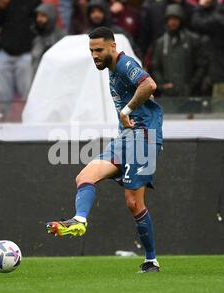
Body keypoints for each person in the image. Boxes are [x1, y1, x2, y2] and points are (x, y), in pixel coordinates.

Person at [46, 26, 163, 273]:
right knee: (84, 176)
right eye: (91, 51)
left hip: (144, 137)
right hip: (125, 138)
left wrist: (126, 111)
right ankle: (79, 220)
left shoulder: (124, 63)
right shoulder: (111, 69)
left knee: (134, 203)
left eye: (99, 49)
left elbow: (149, 84)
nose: (95, 55)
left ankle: (151, 260)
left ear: (112, 46)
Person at [0, 0, 41, 102]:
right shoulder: (5, 2)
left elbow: (40, 25)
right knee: (1, 96)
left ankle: (27, 117)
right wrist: (1, 7)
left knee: (28, 95)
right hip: (5, 53)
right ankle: (3, 117)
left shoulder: (34, 2)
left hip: (26, 54)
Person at [151, 3, 204, 97]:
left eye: (175, 19)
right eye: (170, 19)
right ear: (166, 21)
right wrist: (162, 85)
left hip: (189, 94)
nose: (172, 22)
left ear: (181, 20)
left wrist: (191, 86)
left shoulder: (192, 40)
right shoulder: (161, 42)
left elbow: (201, 65)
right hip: (168, 95)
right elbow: (155, 67)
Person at [31, 3, 66, 77]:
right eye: (38, 16)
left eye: (43, 16)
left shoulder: (62, 37)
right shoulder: (37, 38)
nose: (39, 19)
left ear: (51, 17)